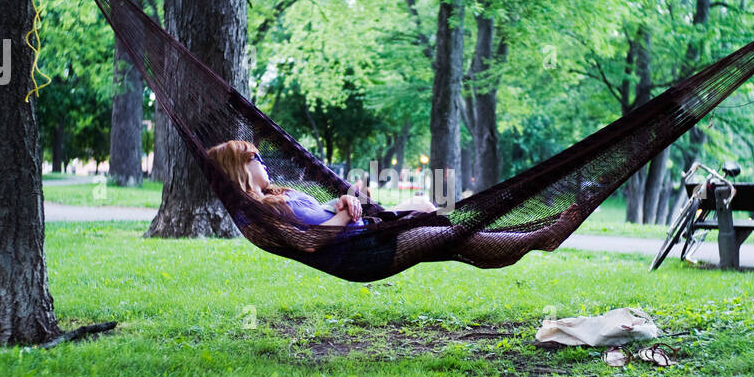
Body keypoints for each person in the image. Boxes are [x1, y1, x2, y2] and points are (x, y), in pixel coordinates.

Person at [206, 139, 582, 258]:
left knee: (433, 211)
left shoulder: (276, 196)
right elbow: (312, 240)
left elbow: (319, 220)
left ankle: (537, 238)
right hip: (362, 249)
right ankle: (539, 238)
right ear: (239, 168)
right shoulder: (264, 211)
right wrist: (347, 213)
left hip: (366, 232)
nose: (263, 161)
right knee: (453, 233)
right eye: (254, 157)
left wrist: (347, 201)